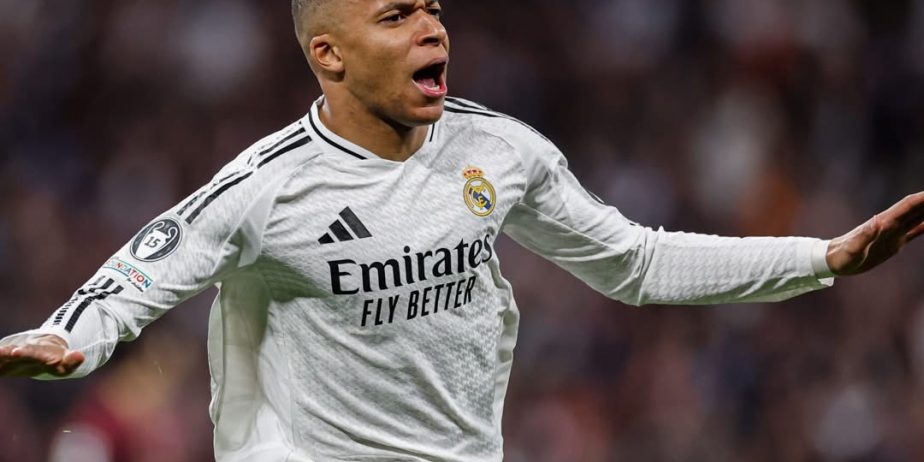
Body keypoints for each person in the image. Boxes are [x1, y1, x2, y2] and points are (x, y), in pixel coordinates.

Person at [1, 1, 923, 460]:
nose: (432, 28)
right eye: (397, 14)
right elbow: (142, 272)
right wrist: (69, 340)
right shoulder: (265, 189)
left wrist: (823, 259)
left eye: (434, 7)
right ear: (328, 55)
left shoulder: (499, 151)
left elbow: (635, 263)